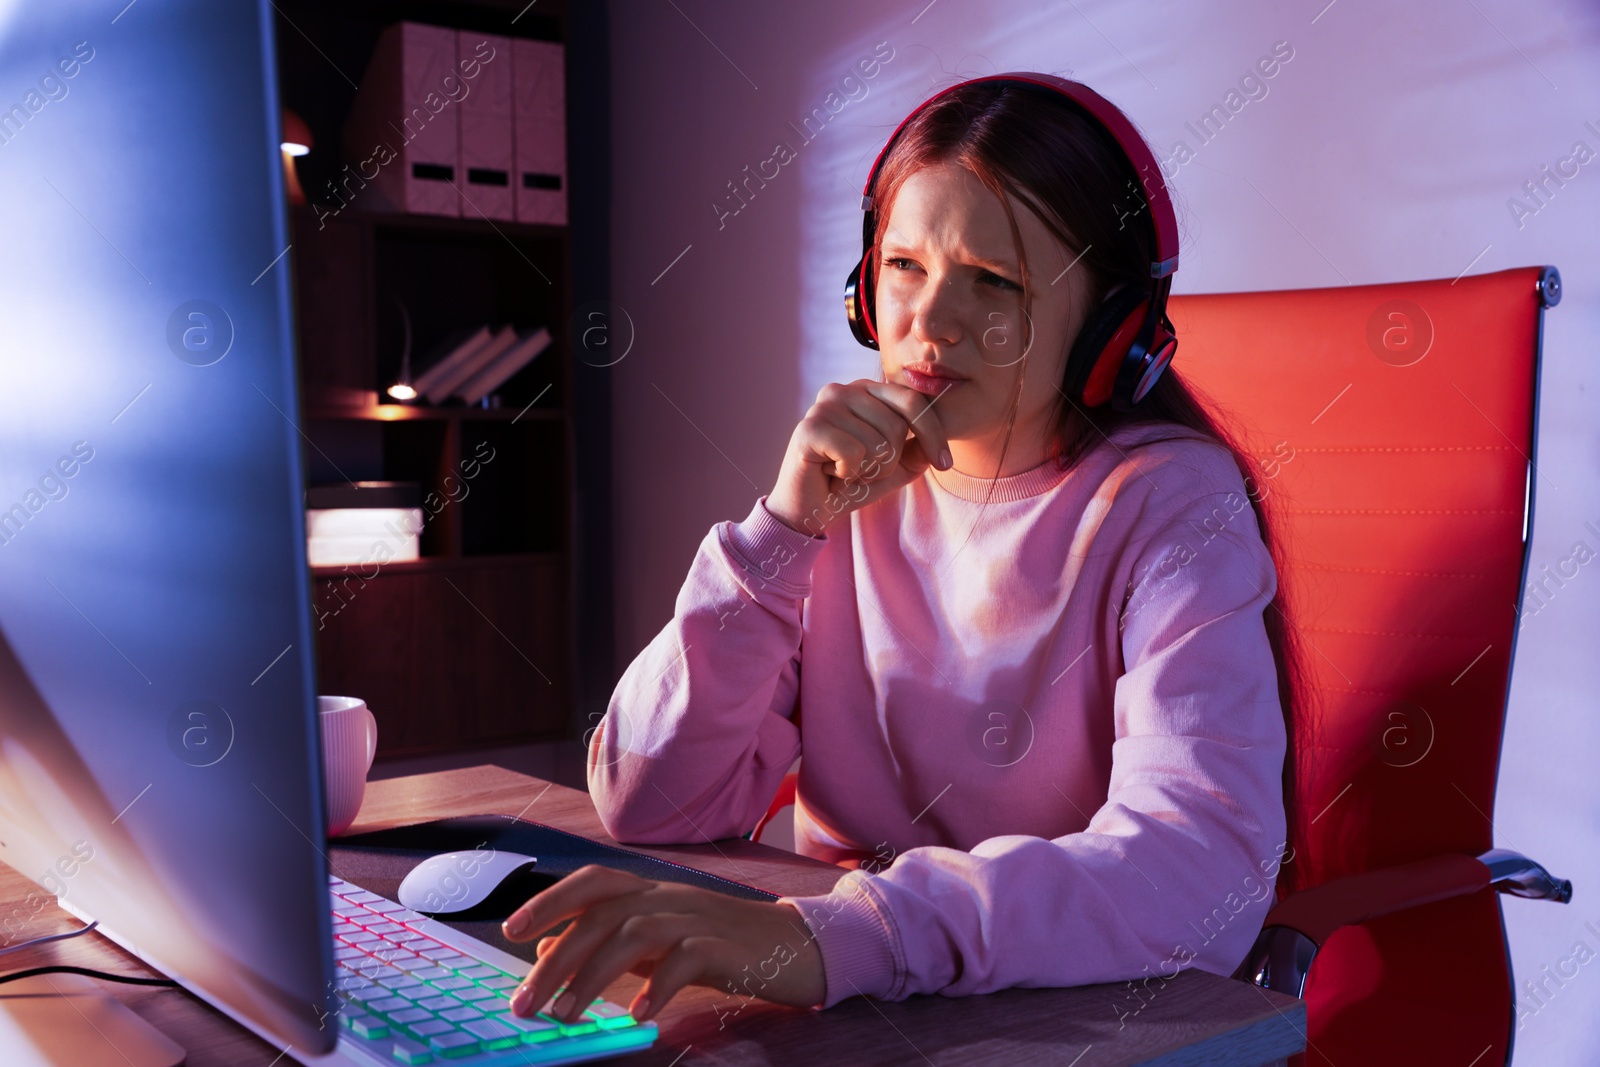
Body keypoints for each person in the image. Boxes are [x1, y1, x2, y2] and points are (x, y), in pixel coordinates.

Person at [499, 74, 1302, 1030]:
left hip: (1059, 1023)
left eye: (994, 282)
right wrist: (779, 533)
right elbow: (648, 801)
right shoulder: (853, 487)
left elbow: (1199, 870)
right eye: (904, 265)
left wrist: (849, 937)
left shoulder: (1171, 507)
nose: (929, 322)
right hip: (849, 1004)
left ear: (1112, 330)